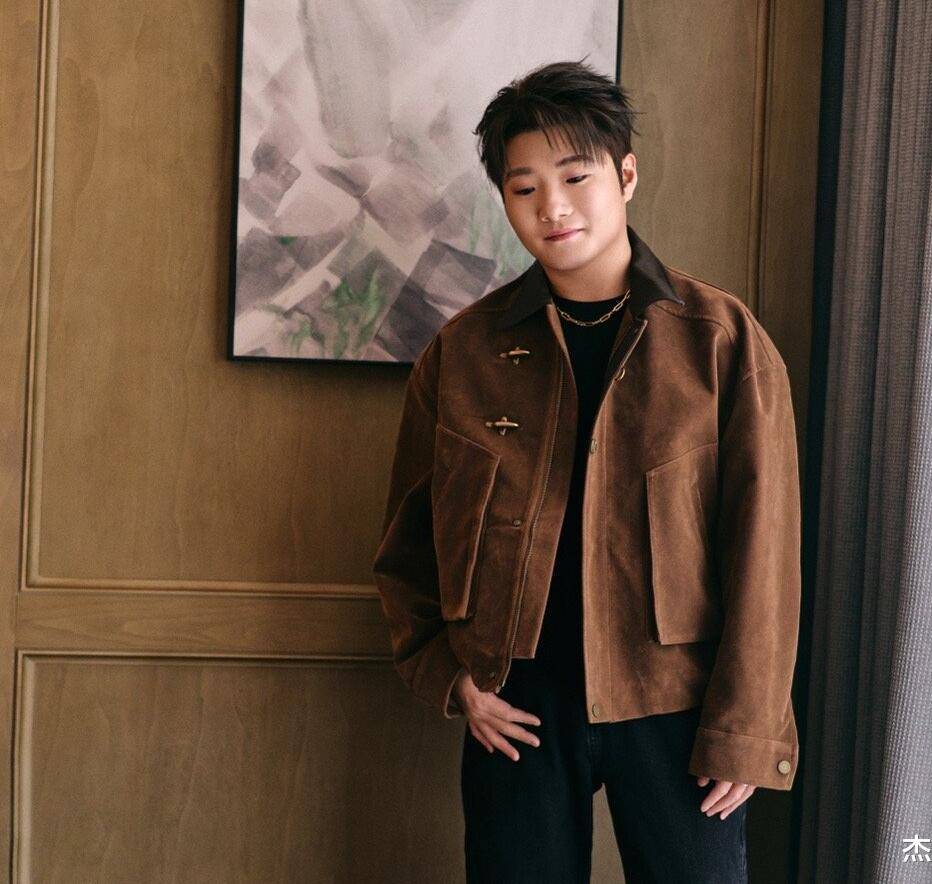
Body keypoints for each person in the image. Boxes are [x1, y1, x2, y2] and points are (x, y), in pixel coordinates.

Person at [372, 58, 802, 883]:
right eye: (524, 187)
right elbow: (407, 544)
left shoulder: (720, 341)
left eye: (576, 177)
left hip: (677, 708)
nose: (553, 207)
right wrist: (452, 678)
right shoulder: (463, 354)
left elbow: (765, 550)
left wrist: (746, 728)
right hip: (517, 707)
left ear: (625, 175)